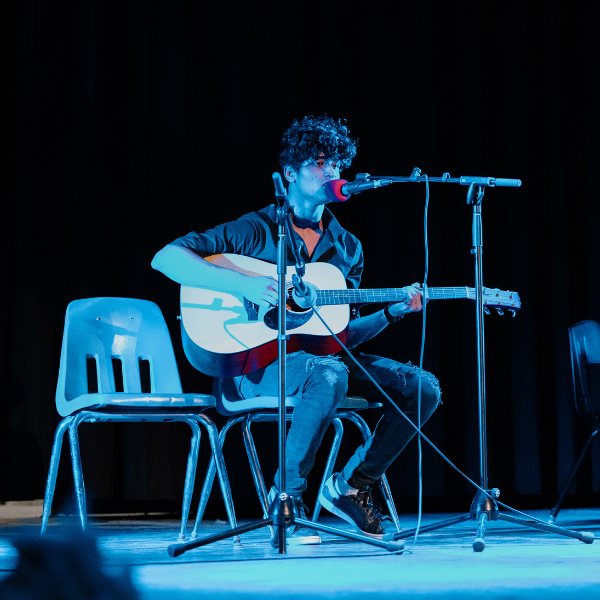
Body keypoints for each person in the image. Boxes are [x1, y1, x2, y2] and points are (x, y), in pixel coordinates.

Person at [151, 115, 441, 547]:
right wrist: (245, 283)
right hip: (253, 364)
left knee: (421, 387)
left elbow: (338, 337)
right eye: (320, 162)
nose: (332, 173)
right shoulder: (254, 230)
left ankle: (350, 485)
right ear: (290, 172)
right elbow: (166, 258)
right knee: (330, 374)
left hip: (320, 362)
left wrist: (391, 313)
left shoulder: (347, 248)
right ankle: (286, 498)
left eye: (337, 164)